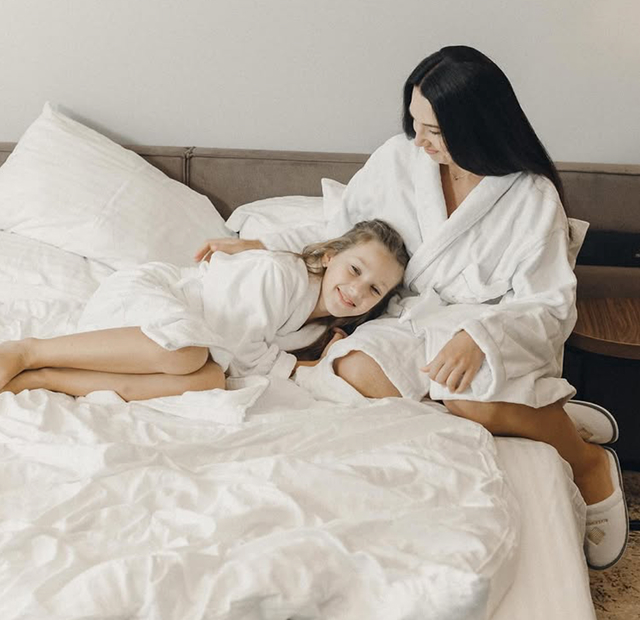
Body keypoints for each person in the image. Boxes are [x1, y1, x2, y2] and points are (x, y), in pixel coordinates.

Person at [194, 45, 628, 571]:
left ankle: (586, 462)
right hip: (406, 319)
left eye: (435, 131)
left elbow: (549, 304)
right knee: (350, 372)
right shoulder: (399, 159)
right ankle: (537, 413)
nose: (418, 140)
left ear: (477, 127)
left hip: (485, 328)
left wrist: (481, 338)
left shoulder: (530, 198)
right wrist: (264, 244)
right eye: (415, 122)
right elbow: (344, 231)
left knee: (465, 395)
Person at [0, 219, 408, 402]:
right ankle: (29, 350)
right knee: (188, 354)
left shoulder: (319, 329)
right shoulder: (279, 273)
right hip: (157, 298)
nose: (357, 290)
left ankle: (45, 379)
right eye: (355, 270)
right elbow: (240, 346)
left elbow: (237, 363)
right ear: (330, 255)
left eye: (375, 289)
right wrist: (301, 366)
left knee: (210, 381)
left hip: (197, 345)